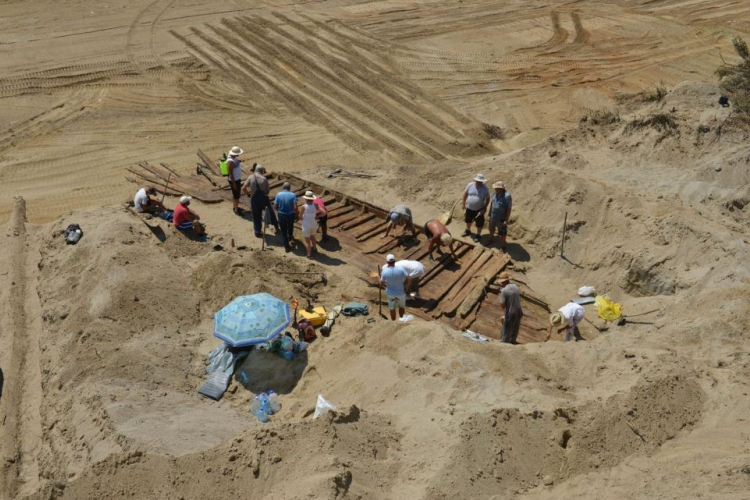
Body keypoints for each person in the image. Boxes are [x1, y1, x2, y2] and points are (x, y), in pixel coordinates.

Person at [242, 164, 278, 238]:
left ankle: (257, 232)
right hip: (263, 198)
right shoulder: (264, 179)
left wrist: (248, 195)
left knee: (256, 215)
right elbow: (268, 191)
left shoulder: (250, 177)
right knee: (270, 212)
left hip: (254, 198)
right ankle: (276, 227)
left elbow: (243, 188)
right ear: (262, 171)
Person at [380, 254, 411, 321]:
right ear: (394, 261)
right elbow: (409, 278)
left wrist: (385, 287)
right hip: (401, 292)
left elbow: (381, 282)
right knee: (401, 307)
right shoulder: (401, 269)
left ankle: (394, 322)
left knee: (392, 308)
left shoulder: (384, 271)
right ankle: (401, 320)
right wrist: (407, 287)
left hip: (390, 293)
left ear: (387, 262)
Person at [462, 174, 490, 241]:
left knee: (479, 222)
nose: (479, 182)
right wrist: (463, 204)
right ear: (475, 180)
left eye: (480, 181)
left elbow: (488, 198)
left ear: (482, 182)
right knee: (468, 220)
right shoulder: (470, 185)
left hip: (479, 209)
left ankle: (478, 235)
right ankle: (468, 230)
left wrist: (485, 208)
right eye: (477, 181)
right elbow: (465, 194)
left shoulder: (485, 188)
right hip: (469, 207)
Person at [498, 272, 522, 344]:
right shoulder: (515, 286)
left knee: (506, 332)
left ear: (503, 281)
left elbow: (502, 306)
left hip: (510, 313)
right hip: (519, 311)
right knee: (514, 332)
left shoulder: (504, 291)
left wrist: (501, 296)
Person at [273, 182, 298, 253]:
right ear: (289, 188)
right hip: (290, 214)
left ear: (283, 188)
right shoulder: (293, 195)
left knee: (283, 231)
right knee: (290, 226)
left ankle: (286, 247)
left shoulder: (278, 194)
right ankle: (290, 236)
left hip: (281, 215)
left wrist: (280, 210)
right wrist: (297, 214)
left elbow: (275, 206)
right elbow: (295, 207)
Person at [300, 191, 326, 258]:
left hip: (306, 224)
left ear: (306, 198)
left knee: (307, 241)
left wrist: (303, 217)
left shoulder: (303, 207)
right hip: (314, 223)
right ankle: (315, 249)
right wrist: (317, 217)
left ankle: (309, 254)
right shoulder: (316, 205)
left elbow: (300, 216)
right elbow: (324, 213)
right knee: (313, 237)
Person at [488, 181, 512, 250]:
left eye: (497, 188)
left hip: (501, 218)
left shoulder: (507, 196)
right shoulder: (495, 193)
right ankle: (490, 240)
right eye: (495, 188)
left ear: (502, 189)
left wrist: (506, 219)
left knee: (502, 232)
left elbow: (509, 208)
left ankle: (503, 245)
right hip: (493, 215)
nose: (496, 189)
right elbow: (492, 203)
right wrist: (489, 213)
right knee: (491, 229)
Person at [226, 146, 244, 216]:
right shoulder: (230, 161)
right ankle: (237, 209)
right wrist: (234, 183)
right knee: (237, 195)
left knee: (235, 194)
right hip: (235, 180)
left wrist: (239, 161)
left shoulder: (233, 158)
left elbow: (235, 162)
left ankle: (235, 207)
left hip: (236, 179)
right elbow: (230, 172)